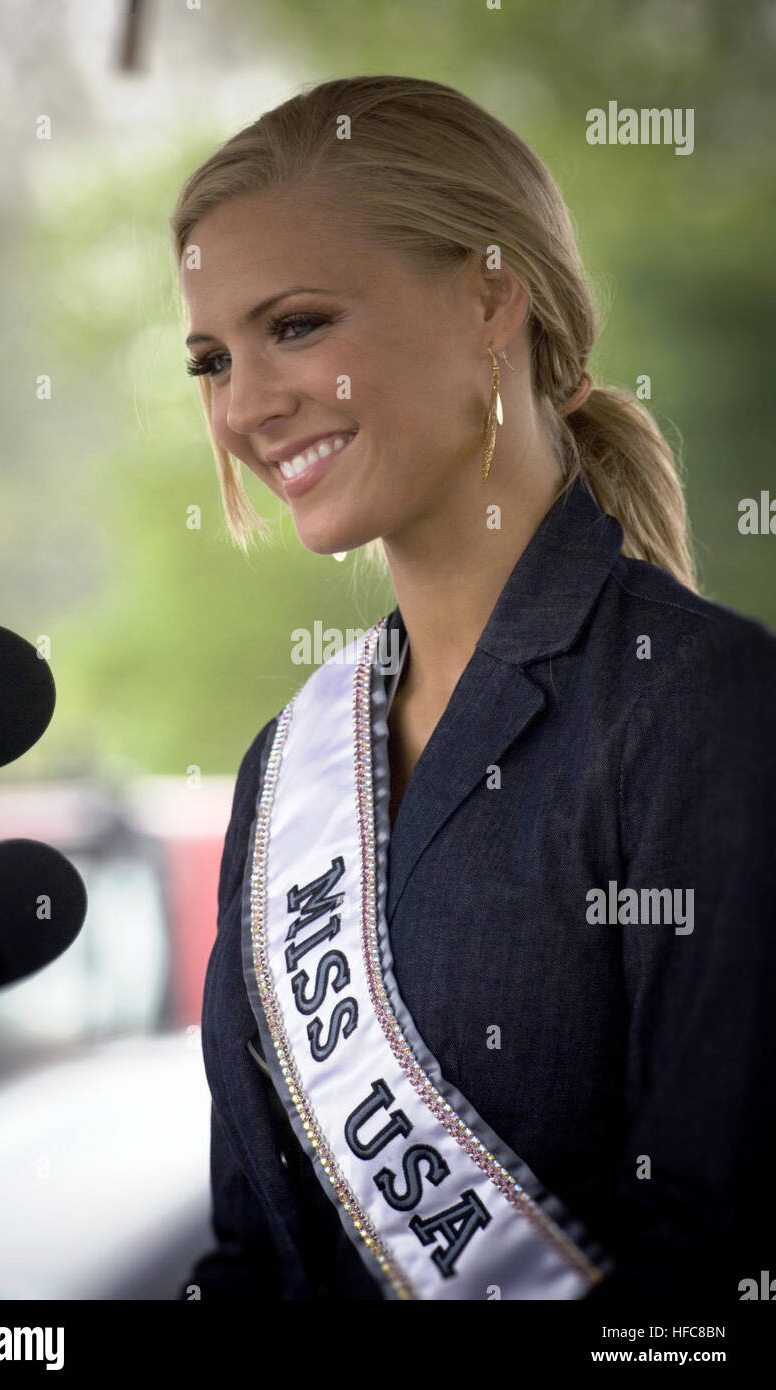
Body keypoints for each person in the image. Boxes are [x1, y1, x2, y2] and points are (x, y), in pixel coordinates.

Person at [170, 75, 776, 1300]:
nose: (241, 406)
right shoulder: (287, 768)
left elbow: (715, 1281)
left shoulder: (698, 708)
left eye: (294, 326)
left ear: (490, 296)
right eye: (211, 358)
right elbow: (254, 1259)